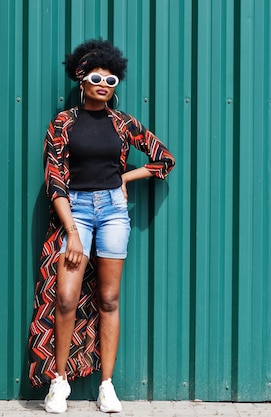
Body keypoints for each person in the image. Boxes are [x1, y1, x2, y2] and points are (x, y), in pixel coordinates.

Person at [28, 39, 175, 414]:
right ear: (81, 79)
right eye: (96, 77)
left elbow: (164, 159)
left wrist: (126, 179)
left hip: (112, 212)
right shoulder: (64, 123)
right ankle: (58, 383)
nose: (104, 84)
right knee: (65, 299)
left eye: (111, 80)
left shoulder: (122, 123)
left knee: (109, 300)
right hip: (73, 212)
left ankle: (106, 386)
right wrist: (72, 233)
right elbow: (55, 180)